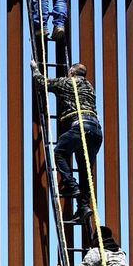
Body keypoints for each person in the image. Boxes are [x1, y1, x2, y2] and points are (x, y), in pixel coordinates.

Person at [34, 61, 101, 220]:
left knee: (58, 153)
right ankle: (84, 207)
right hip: (96, 131)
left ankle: (71, 185)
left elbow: (41, 83)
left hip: (80, 127)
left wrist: (35, 69)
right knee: (86, 171)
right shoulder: (90, 87)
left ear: (71, 72)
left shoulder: (66, 82)